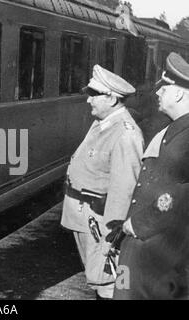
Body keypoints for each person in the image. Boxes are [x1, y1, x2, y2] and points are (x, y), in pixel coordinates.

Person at [61, 65, 144, 299]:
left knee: (109, 284)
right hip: (85, 219)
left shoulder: (125, 134)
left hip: (102, 225)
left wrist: (112, 237)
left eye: (94, 94)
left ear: (112, 98)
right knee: (98, 280)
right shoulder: (102, 122)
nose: (88, 100)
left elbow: (125, 191)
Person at [114, 52, 189, 300]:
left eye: (164, 89)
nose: (157, 93)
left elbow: (178, 196)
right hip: (149, 249)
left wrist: (137, 224)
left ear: (178, 93)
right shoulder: (175, 129)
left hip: (156, 254)